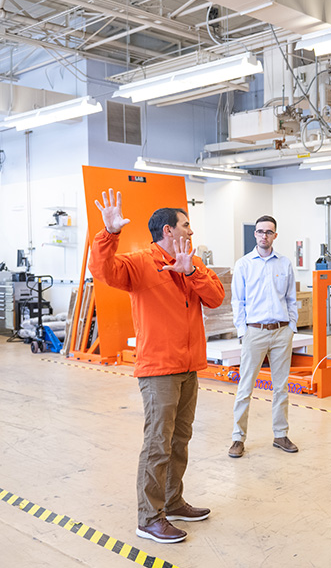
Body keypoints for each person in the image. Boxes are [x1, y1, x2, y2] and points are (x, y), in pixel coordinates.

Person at [89, 188, 224, 544]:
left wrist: (191, 270)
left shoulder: (191, 263)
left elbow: (215, 297)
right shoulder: (138, 264)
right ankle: (149, 517)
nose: (191, 233)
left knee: (180, 440)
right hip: (159, 369)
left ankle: (173, 501)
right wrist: (110, 233)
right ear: (168, 230)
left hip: (189, 366)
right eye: (186, 226)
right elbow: (103, 270)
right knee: (157, 444)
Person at [228, 215, 298, 458]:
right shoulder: (244, 264)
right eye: (260, 231)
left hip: (281, 331)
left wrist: (292, 326)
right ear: (255, 235)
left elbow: (291, 298)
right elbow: (238, 301)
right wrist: (243, 331)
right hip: (254, 332)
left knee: (281, 387)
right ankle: (238, 438)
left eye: (269, 232)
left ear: (275, 235)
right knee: (245, 386)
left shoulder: (285, 263)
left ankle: (280, 435)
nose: (264, 235)